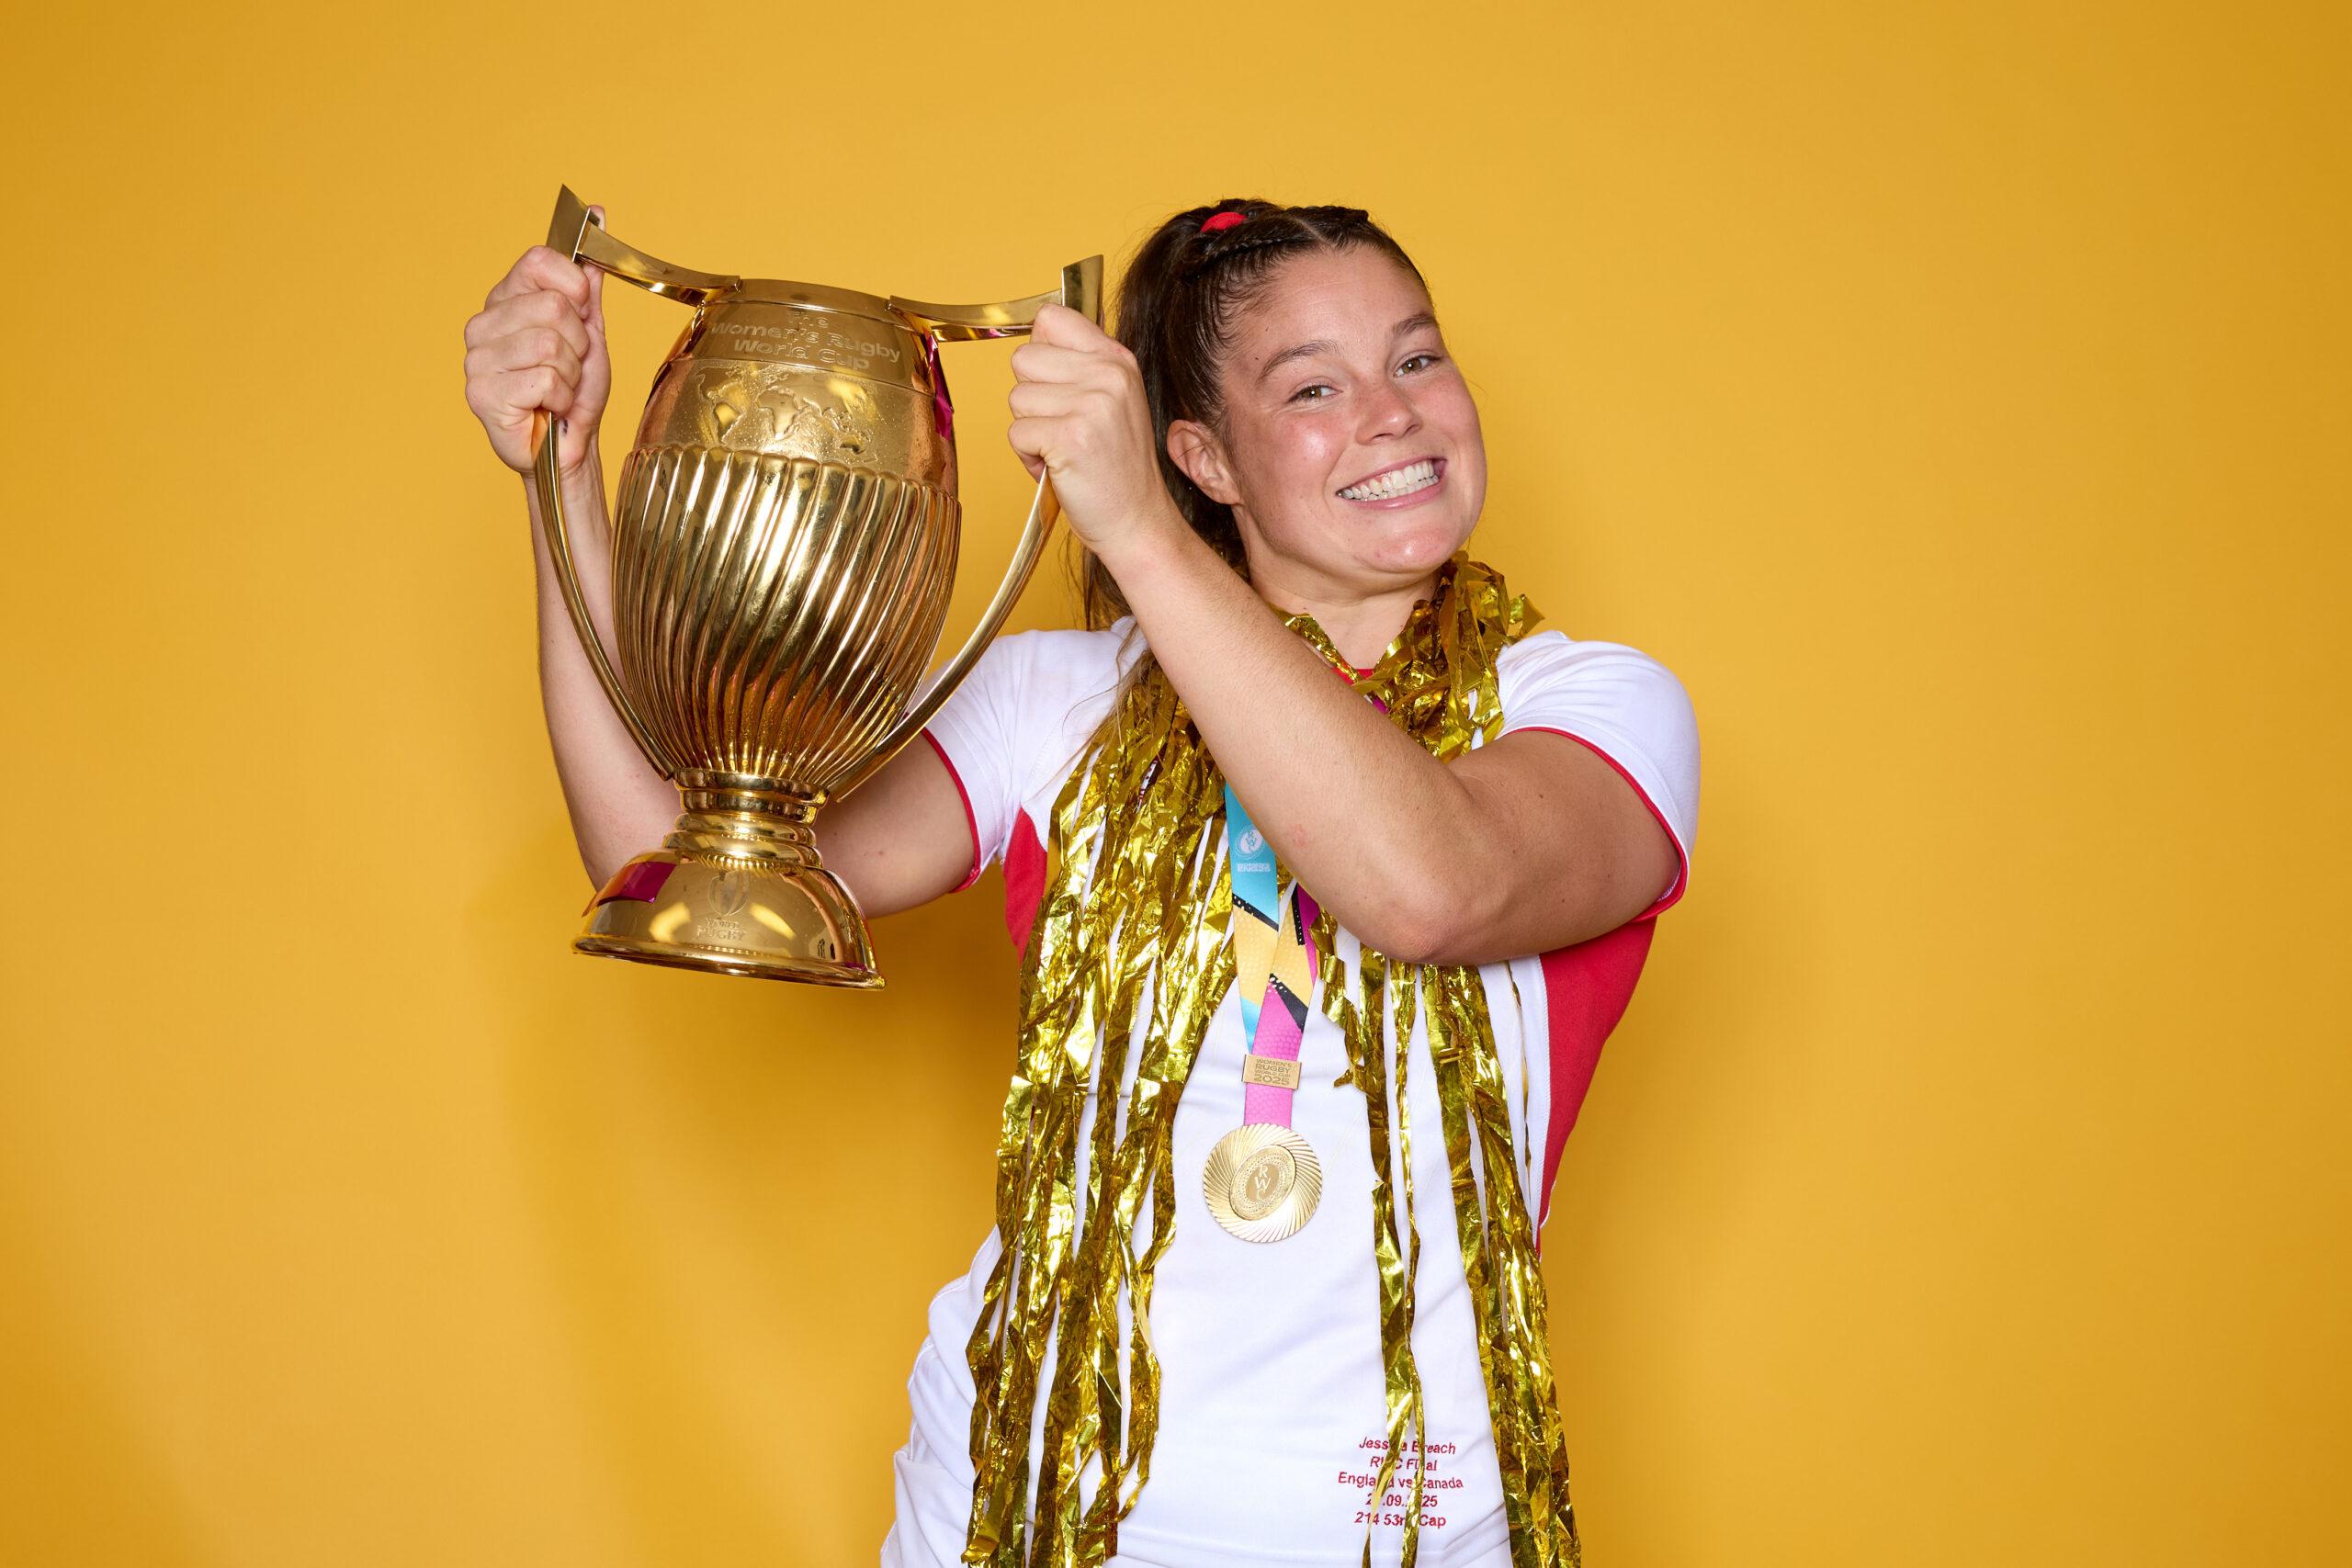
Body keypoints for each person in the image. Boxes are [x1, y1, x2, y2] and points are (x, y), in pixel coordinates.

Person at [464, 197, 1700, 1568]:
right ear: (1203, 457)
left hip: (1404, 1533)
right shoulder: (1057, 700)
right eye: (1314, 387)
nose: (1394, 413)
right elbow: (667, 859)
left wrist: (1143, 538)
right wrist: (562, 479)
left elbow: (1428, 888)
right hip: (1015, 1511)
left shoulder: (1591, 709)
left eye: (1417, 358)